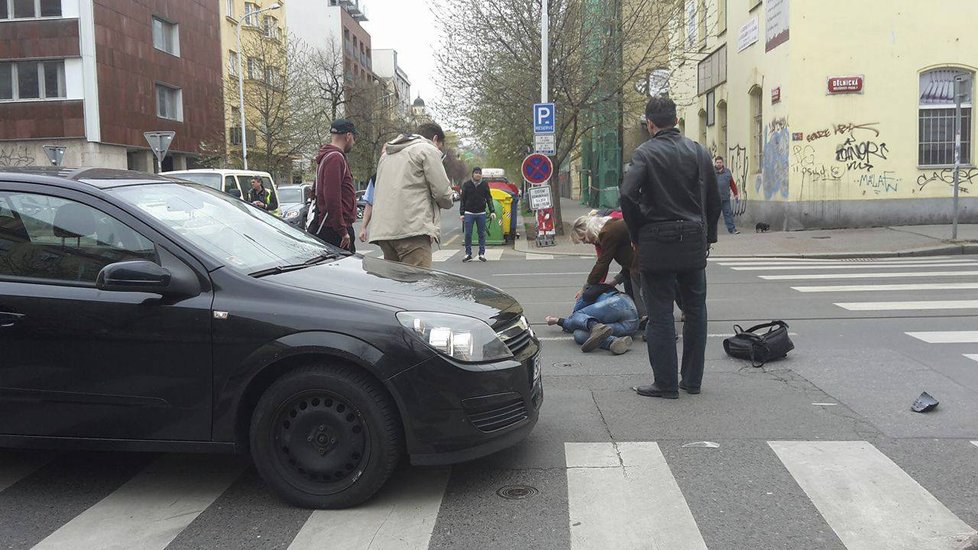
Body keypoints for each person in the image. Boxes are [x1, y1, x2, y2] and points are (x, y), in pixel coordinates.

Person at [620, 97, 721, 399]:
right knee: (695, 310)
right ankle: (692, 381)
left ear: (650, 124)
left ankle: (664, 383)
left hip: (656, 240)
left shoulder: (645, 153)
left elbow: (627, 194)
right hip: (692, 238)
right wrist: (708, 237)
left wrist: (638, 231)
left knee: (661, 312)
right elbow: (713, 199)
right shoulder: (699, 152)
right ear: (676, 120)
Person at [369, 123, 454, 268]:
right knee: (418, 285)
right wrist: (448, 200)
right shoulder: (427, 150)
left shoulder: (387, 155)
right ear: (435, 139)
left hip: (385, 233)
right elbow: (442, 193)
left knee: (395, 285)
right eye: (439, 146)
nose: (438, 149)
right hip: (412, 230)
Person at [570, 213, 646, 319]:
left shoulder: (608, 233)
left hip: (640, 265)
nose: (586, 242)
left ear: (587, 231)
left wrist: (586, 287)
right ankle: (641, 318)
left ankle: (645, 319)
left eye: (583, 239)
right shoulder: (610, 227)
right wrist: (615, 280)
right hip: (636, 265)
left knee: (641, 294)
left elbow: (603, 263)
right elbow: (629, 258)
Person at [545, 284, 638, 355]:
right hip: (630, 326)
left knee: (578, 315)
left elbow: (575, 317)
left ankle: (594, 325)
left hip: (619, 303)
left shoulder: (587, 295)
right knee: (579, 334)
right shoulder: (598, 296)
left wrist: (558, 321)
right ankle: (614, 342)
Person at [311, 119, 358, 253]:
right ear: (348, 136)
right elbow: (332, 198)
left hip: (331, 227)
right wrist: (342, 231)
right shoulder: (335, 158)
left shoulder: (326, 157)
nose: (353, 143)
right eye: (353, 138)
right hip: (335, 231)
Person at [458, 167, 496, 262]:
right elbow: (462, 200)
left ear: (481, 175)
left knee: (481, 234)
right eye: (476, 173)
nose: (478, 174)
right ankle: (468, 253)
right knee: (468, 234)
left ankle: (481, 253)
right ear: (473, 174)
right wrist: (462, 213)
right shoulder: (467, 185)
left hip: (481, 213)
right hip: (469, 213)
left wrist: (492, 211)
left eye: (479, 173)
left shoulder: (484, 185)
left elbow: (489, 198)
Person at [715, 155, 741, 234]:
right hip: (715, 198)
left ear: (722, 163)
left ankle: (732, 229)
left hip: (725, 197)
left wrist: (736, 193)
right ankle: (711, 231)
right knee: (713, 215)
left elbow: (732, 183)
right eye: (717, 162)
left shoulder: (727, 172)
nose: (719, 164)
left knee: (728, 214)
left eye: (720, 162)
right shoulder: (711, 171)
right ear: (715, 163)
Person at [358, 173, 376, 243]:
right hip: (404, 230)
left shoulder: (376, 177)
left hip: (383, 230)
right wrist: (363, 228)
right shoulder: (376, 177)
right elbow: (369, 204)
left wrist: (363, 228)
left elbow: (369, 204)